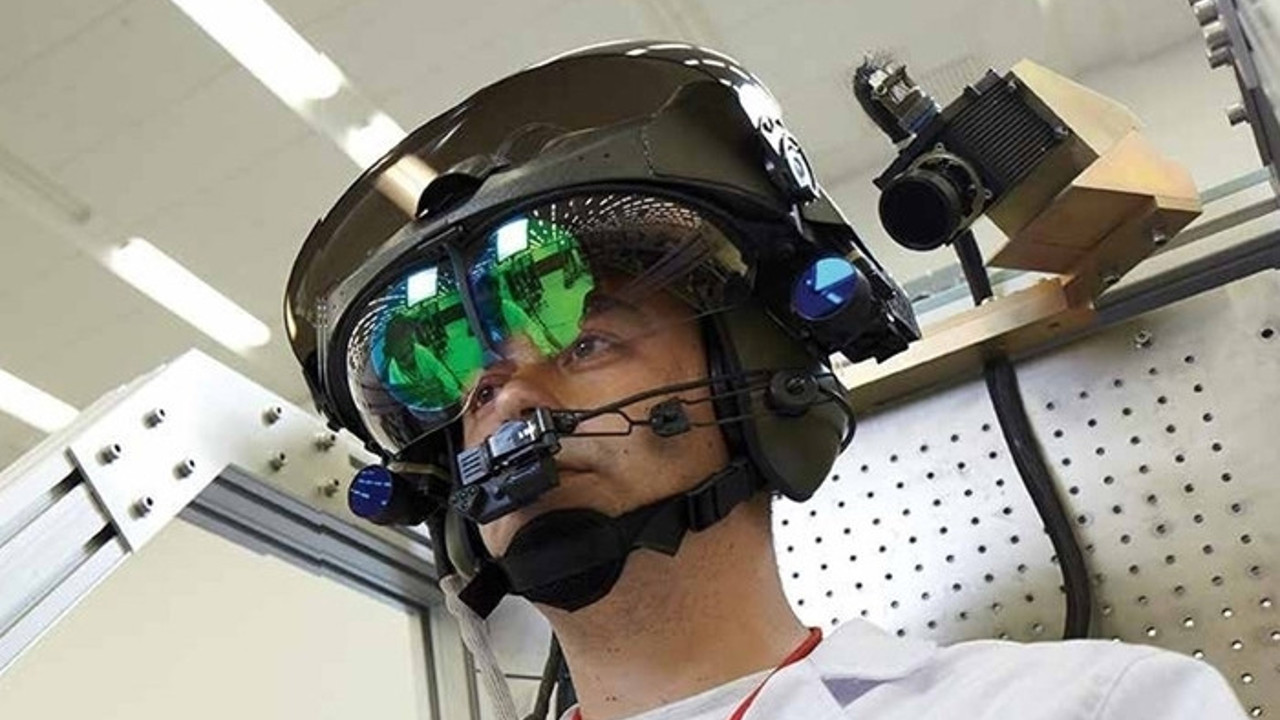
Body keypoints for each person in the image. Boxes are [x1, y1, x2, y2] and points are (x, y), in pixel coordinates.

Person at [284, 41, 1247, 720]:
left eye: (584, 345)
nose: (512, 402)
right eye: (475, 394)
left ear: (761, 370)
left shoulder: (1085, 710)